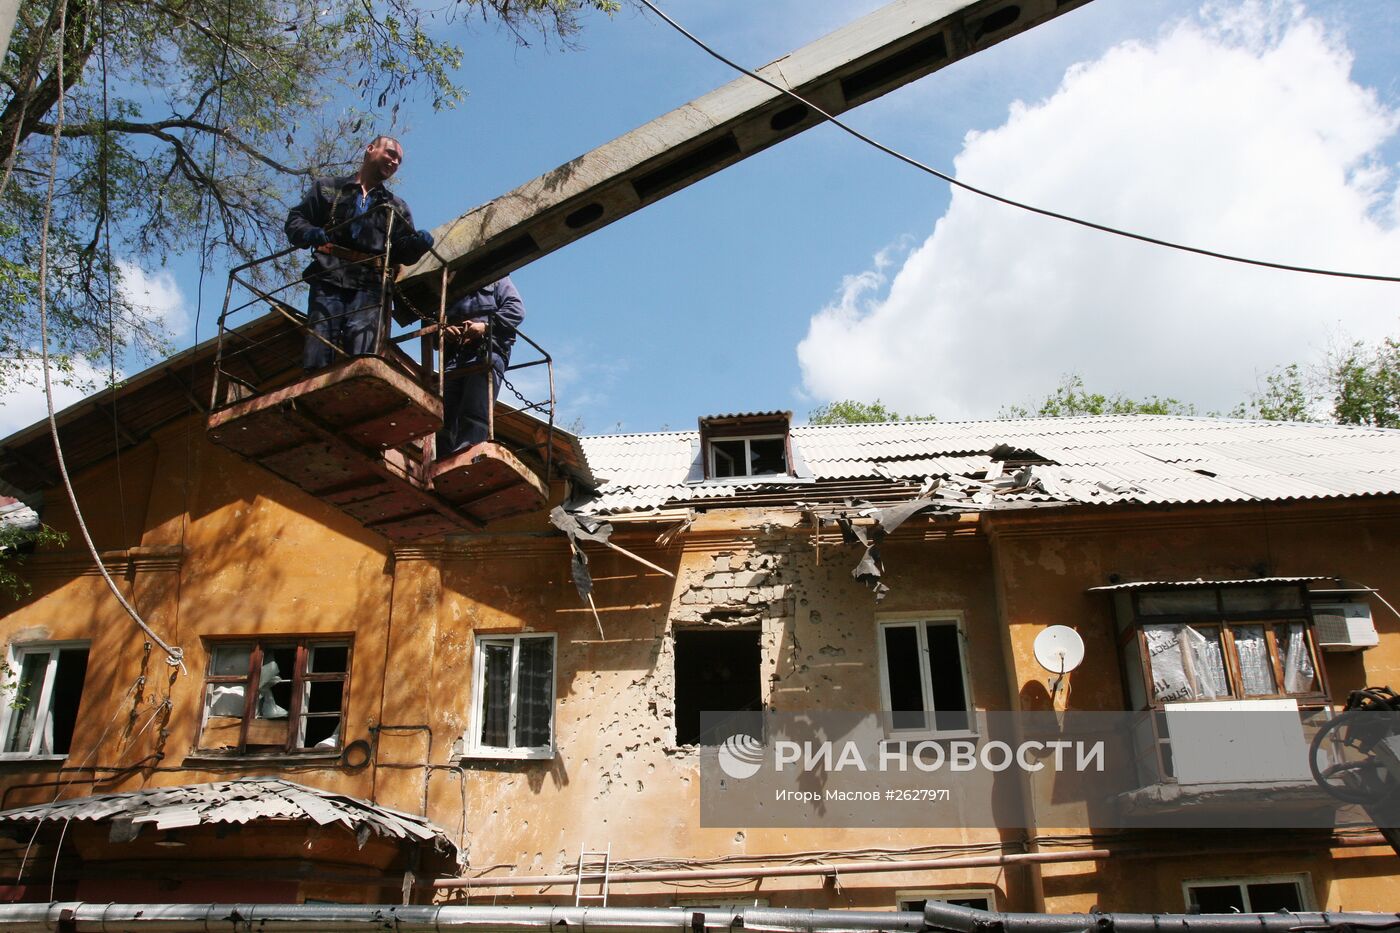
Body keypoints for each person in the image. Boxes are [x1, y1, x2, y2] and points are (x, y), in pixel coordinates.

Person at [284, 136, 435, 370]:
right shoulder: (328, 187)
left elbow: (401, 252)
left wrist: (418, 244)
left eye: (399, 161)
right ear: (370, 149)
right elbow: (296, 220)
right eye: (391, 154)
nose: (395, 162)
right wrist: (309, 232)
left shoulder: (396, 206)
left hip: (369, 287)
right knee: (319, 348)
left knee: (362, 353)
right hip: (328, 278)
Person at [439, 277, 526, 457]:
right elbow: (435, 322)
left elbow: (516, 311)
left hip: (486, 352)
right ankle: (442, 459)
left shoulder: (498, 279)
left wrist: (485, 326)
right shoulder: (451, 286)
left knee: (474, 409)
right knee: (443, 414)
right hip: (455, 356)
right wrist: (446, 330)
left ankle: (467, 458)